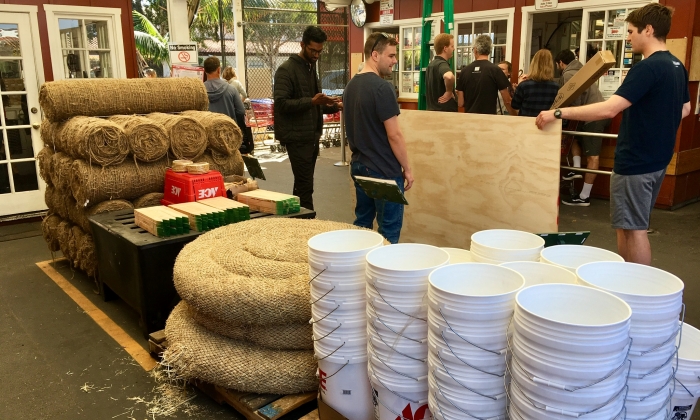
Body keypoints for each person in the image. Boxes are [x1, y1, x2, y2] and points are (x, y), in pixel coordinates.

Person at [536, 3, 691, 265]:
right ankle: (628, 279)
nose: (628, 37)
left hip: (636, 161)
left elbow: (610, 109)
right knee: (629, 226)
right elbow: (684, 109)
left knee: (634, 229)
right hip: (658, 159)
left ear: (648, 29)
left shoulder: (647, 68)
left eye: (631, 31)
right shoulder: (676, 65)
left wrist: (558, 113)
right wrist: (655, 123)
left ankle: (634, 283)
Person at [344, 32, 413, 244]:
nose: (395, 61)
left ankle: (356, 263)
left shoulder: (350, 87)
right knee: (388, 232)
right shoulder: (383, 88)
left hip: (359, 166)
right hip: (384, 170)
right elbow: (394, 135)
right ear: (375, 55)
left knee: (362, 226)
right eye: (391, 56)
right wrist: (407, 169)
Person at [273, 26, 341, 211]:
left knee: (303, 184)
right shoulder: (286, 70)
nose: (316, 55)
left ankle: (298, 218)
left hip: (310, 136)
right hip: (297, 138)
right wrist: (312, 101)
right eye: (313, 50)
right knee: (305, 185)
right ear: (302, 44)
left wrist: (334, 105)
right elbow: (281, 104)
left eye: (320, 51)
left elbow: (313, 106)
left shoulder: (310, 68)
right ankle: (308, 219)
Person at [555, 48, 611, 207]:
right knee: (574, 138)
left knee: (593, 156)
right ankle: (576, 168)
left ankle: (584, 197)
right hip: (596, 114)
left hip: (594, 117)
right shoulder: (583, 71)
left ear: (560, 63)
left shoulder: (567, 74)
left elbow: (576, 100)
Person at [456, 34, 513, 115]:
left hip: (469, 117)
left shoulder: (464, 71)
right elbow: (507, 101)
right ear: (489, 50)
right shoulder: (495, 70)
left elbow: (460, 103)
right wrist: (514, 115)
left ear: (475, 50)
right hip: (488, 117)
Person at [202, 57, 246, 144]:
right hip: (229, 135)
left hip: (207, 137)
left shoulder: (199, 91)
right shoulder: (231, 89)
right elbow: (241, 112)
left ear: (204, 71)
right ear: (219, 70)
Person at [511, 49, 559, 117]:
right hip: (546, 122)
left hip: (526, 121)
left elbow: (515, 105)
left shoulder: (524, 85)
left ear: (533, 64)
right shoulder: (556, 87)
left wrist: (517, 89)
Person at [426, 33, 457, 112]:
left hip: (432, 111)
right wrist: (449, 92)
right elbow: (449, 76)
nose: (454, 49)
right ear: (445, 48)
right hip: (445, 113)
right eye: (452, 46)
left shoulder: (430, 65)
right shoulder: (442, 64)